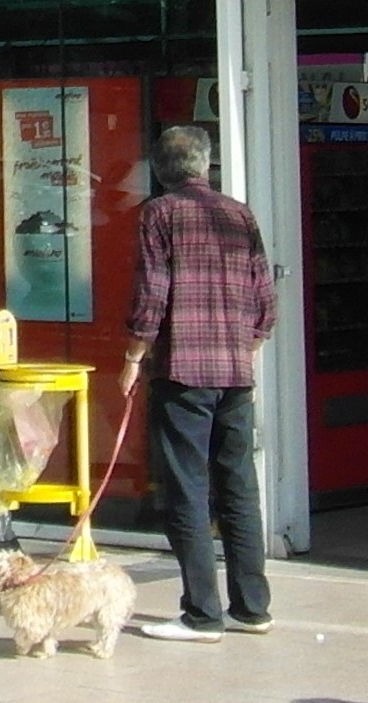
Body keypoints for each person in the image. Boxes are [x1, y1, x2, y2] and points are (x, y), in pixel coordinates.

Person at [120, 125, 276, 645]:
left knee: (186, 489)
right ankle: (252, 608)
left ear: (161, 171)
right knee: (238, 486)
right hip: (235, 371)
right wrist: (245, 343)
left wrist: (133, 356)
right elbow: (264, 297)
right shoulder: (240, 214)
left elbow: (153, 290)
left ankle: (201, 614)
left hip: (183, 369)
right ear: (204, 166)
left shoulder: (159, 214)